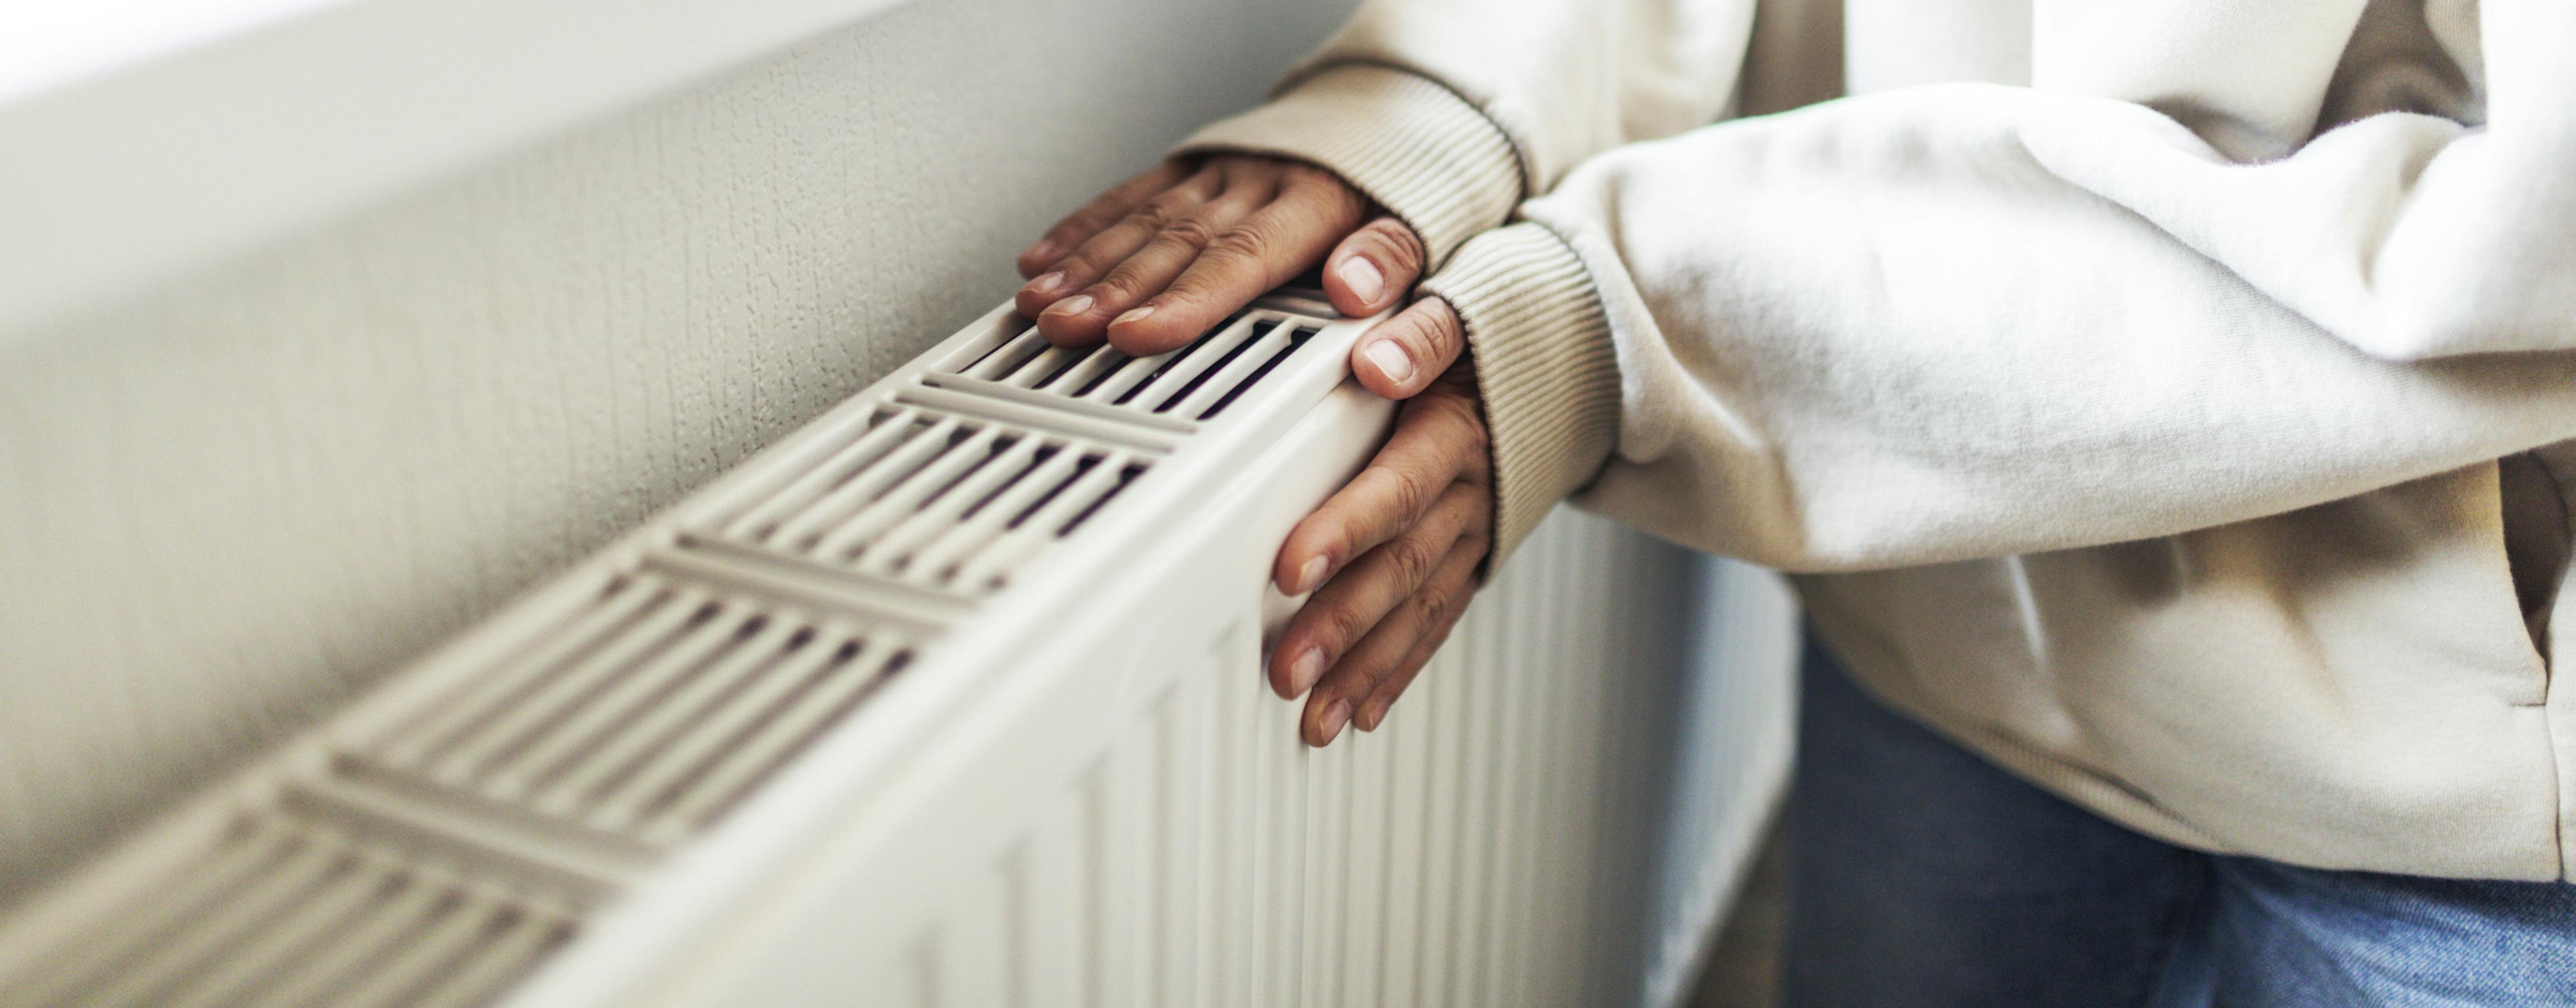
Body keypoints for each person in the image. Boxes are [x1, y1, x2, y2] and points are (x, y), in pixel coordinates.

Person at [1010, 0, 2576, 1003]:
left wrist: (1635, 313)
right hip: (1959, 641)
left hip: (2475, 828)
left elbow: (2519, 242)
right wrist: (1437, 97)